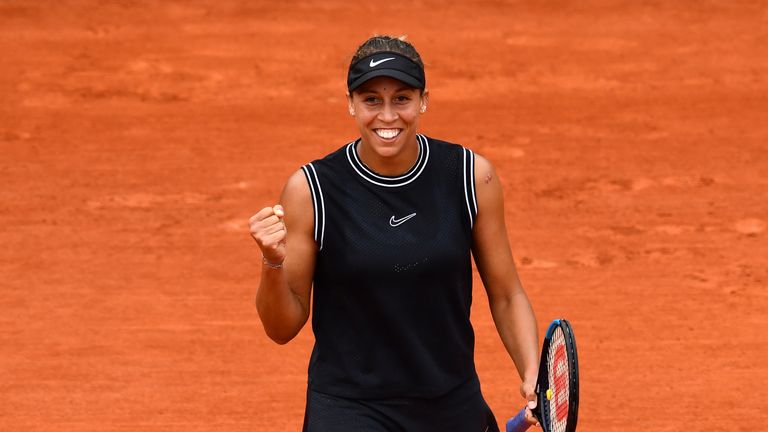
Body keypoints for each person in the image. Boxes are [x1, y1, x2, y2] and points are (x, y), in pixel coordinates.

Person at [250, 35, 540, 431]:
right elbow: (281, 328)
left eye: (401, 99)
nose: (387, 116)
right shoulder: (312, 190)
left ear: (423, 101)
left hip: (450, 401)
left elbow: (507, 294)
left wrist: (531, 371)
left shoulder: (470, 177)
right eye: (371, 100)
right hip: (350, 408)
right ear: (350, 103)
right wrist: (272, 261)